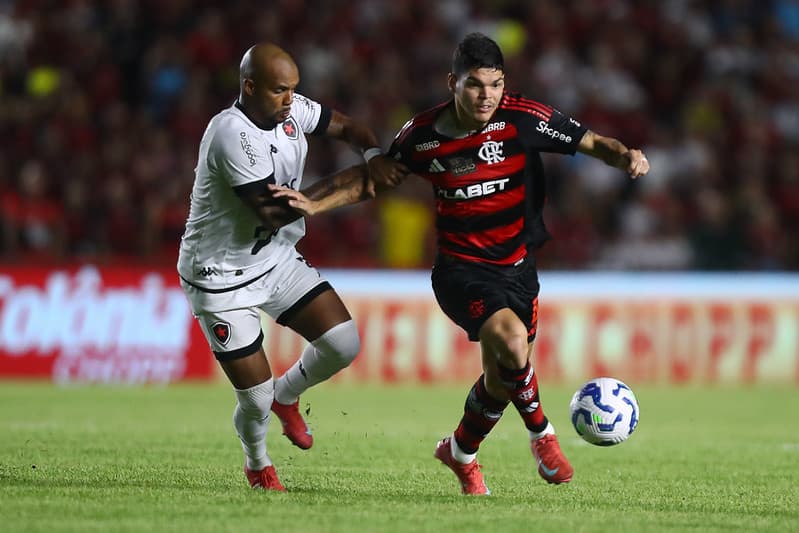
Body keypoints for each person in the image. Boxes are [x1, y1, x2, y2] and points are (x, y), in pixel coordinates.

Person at [273, 32, 649, 495]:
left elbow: (592, 142)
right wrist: (312, 202)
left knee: (501, 378)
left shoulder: (522, 119)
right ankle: (543, 436)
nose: (487, 95)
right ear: (453, 82)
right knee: (512, 345)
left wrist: (626, 157)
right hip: (460, 271)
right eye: (475, 85)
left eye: (495, 84)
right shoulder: (422, 137)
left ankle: (460, 453)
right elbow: (375, 180)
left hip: (518, 268)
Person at [177, 42, 405, 491]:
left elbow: (354, 129)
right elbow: (275, 212)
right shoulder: (231, 133)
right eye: (281, 90)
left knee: (344, 342)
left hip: (274, 260)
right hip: (220, 277)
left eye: (294, 89)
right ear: (249, 86)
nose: (290, 99)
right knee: (254, 398)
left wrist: (373, 158)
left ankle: (289, 395)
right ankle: (257, 462)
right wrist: (348, 187)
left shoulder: (292, 110)